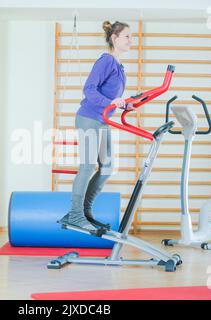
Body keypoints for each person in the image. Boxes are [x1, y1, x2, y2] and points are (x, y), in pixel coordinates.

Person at [60, 21, 133, 232]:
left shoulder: (119, 67)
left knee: (107, 167)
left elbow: (112, 97)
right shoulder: (106, 61)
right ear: (114, 38)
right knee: (88, 166)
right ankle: (75, 214)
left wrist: (126, 104)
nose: (130, 40)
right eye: (127, 36)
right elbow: (89, 90)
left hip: (103, 121)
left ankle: (85, 211)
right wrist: (111, 103)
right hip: (90, 118)